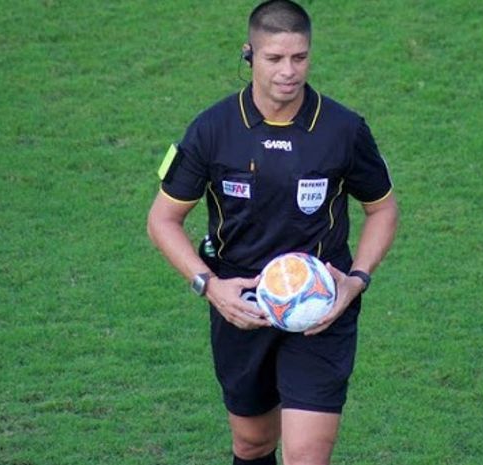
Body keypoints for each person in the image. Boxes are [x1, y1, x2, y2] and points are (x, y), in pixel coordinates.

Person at [147, 1, 398, 463]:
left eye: (299, 57)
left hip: (323, 307)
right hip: (242, 306)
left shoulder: (343, 129)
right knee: (253, 443)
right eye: (275, 58)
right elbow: (162, 220)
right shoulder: (212, 129)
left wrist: (355, 281)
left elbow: (382, 209)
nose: (289, 71)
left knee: (306, 455)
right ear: (249, 54)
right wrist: (210, 286)